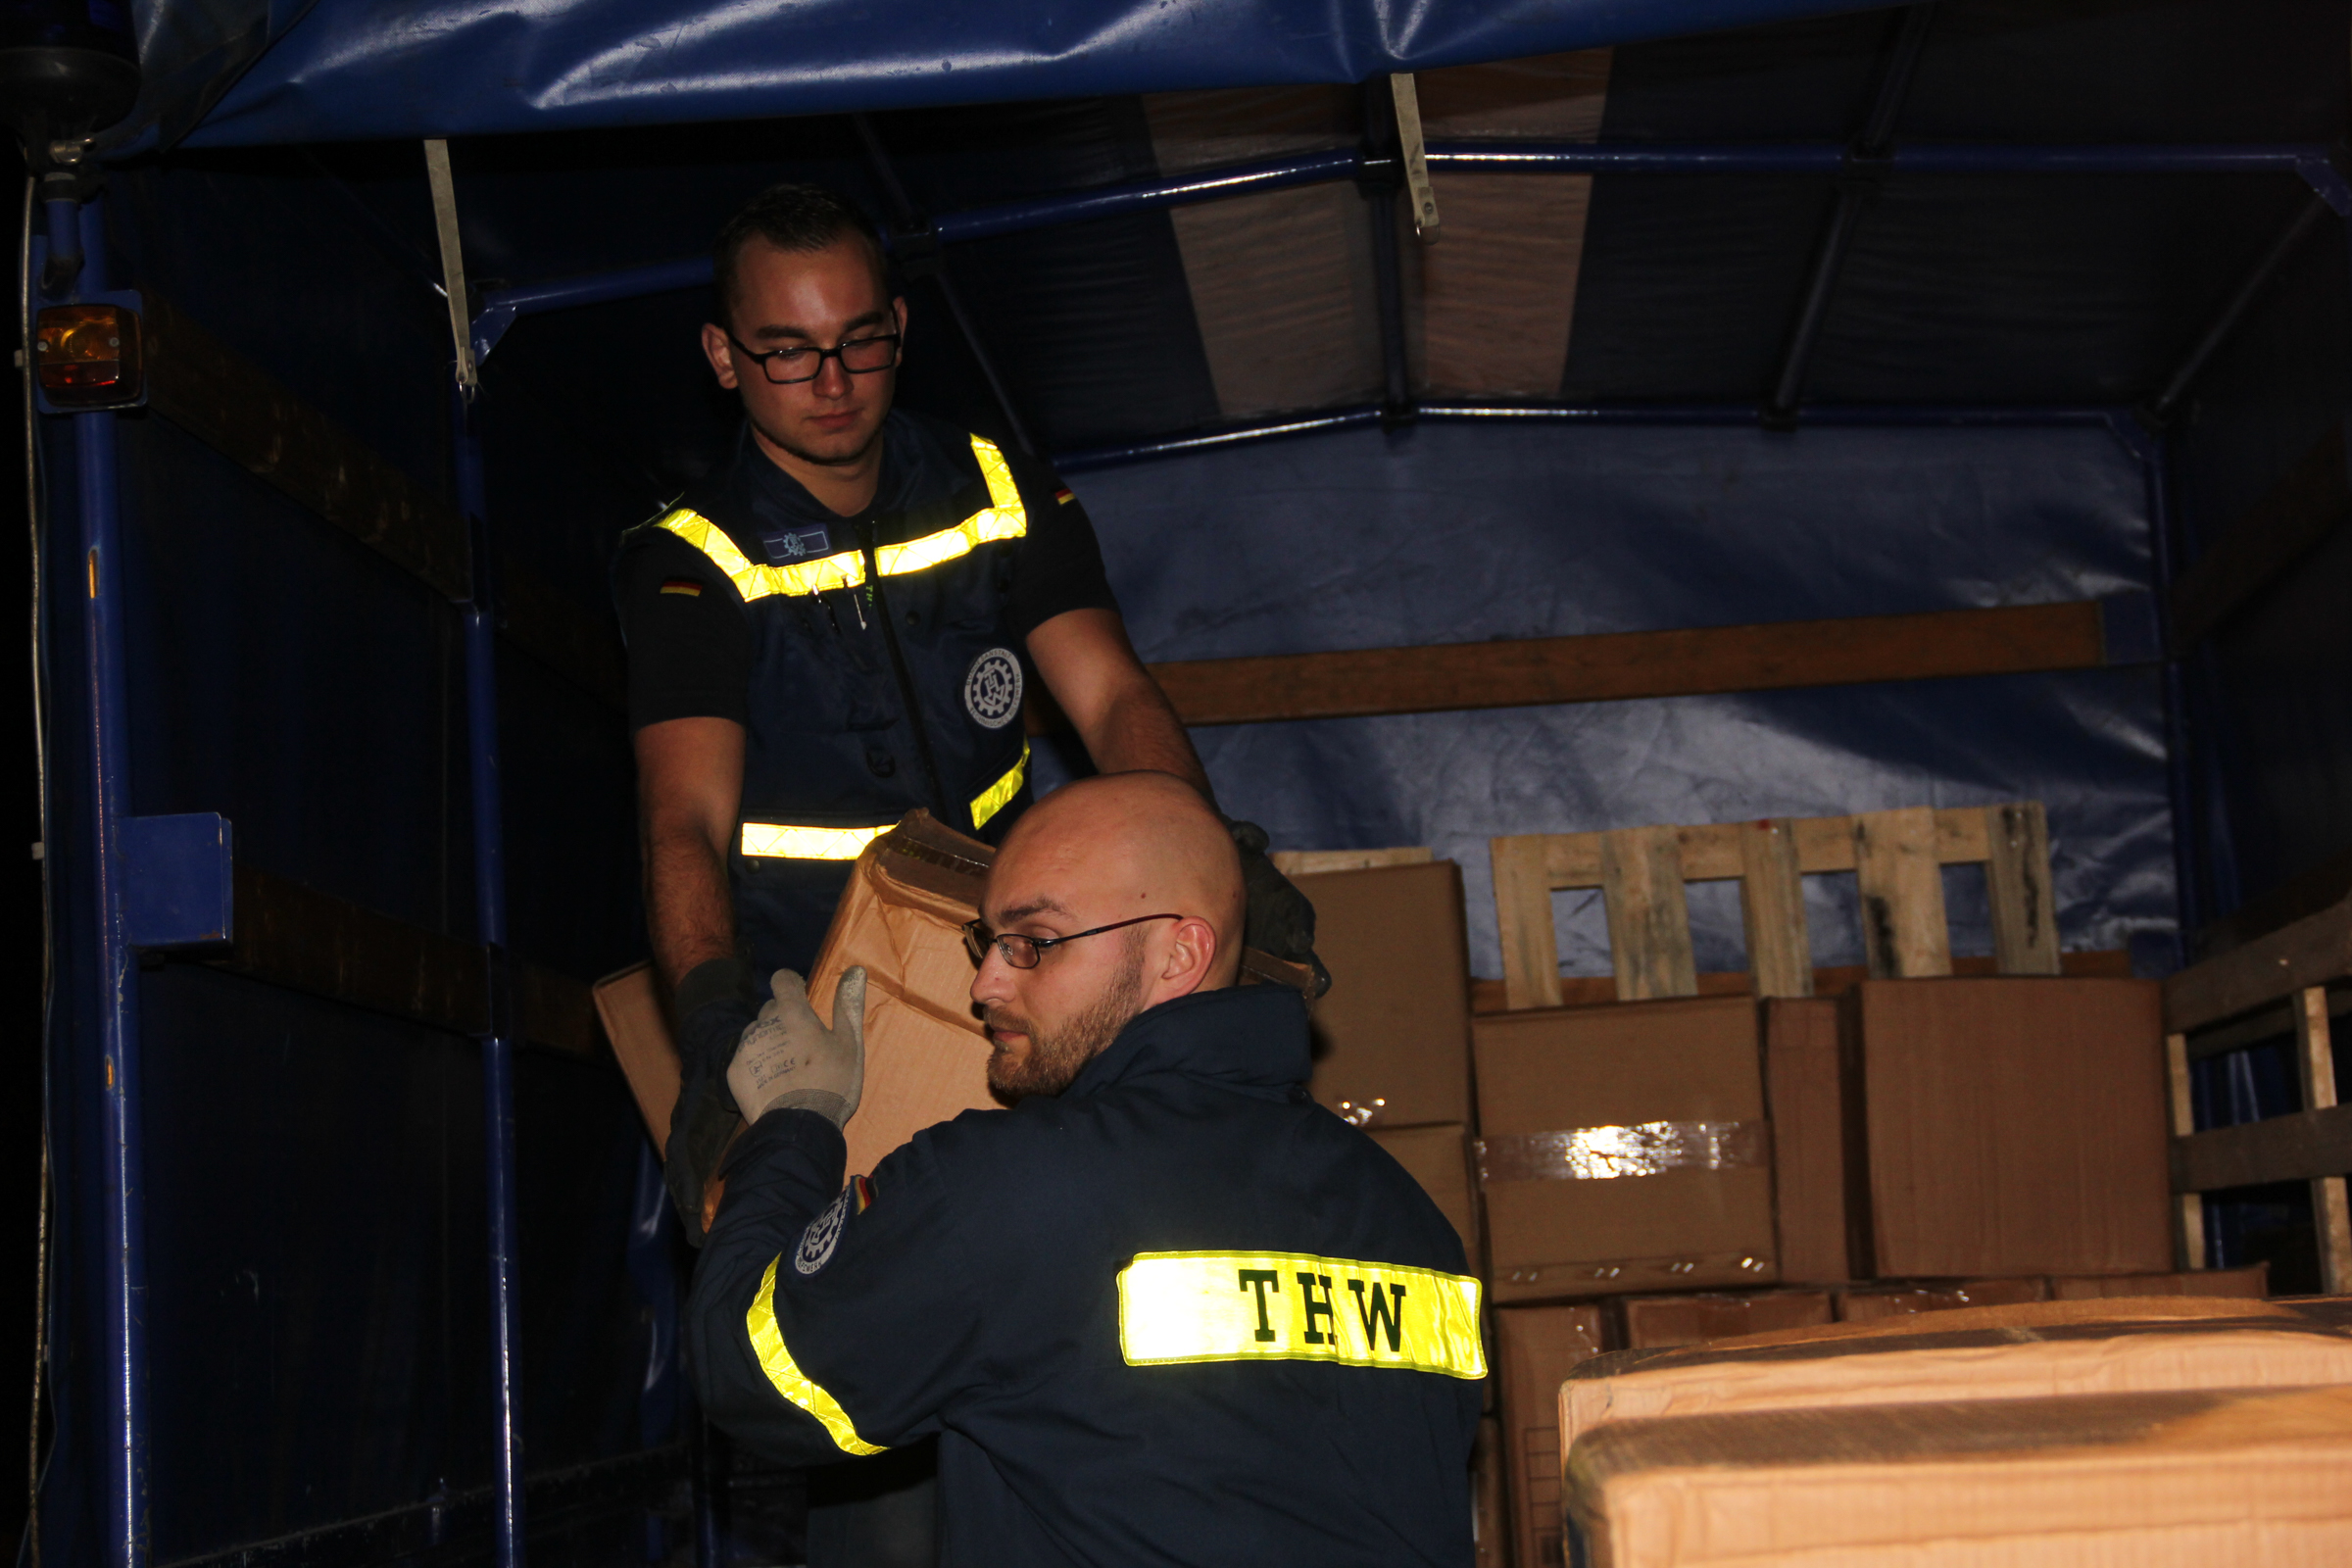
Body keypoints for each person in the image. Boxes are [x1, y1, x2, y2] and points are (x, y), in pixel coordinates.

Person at [614, 182, 1324, 1563]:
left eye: (861, 340)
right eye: (788, 351)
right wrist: (714, 1035)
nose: (833, 380)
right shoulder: (691, 559)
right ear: (723, 357)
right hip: (828, 1038)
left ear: (901, 325)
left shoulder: (997, 490)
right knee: (873, 1455)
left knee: (1085, 1367)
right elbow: (680, 823)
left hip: (1028, 1002)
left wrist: (1205, 865)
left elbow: (1113, 698)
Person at [686, 772, 1484, 1566]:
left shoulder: (1005, 1187)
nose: (985, 983)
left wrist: (795, 1122)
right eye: (988, 942)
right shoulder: (1414, 1225)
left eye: (1034, 942)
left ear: (1179, 953)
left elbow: (749, 1371)